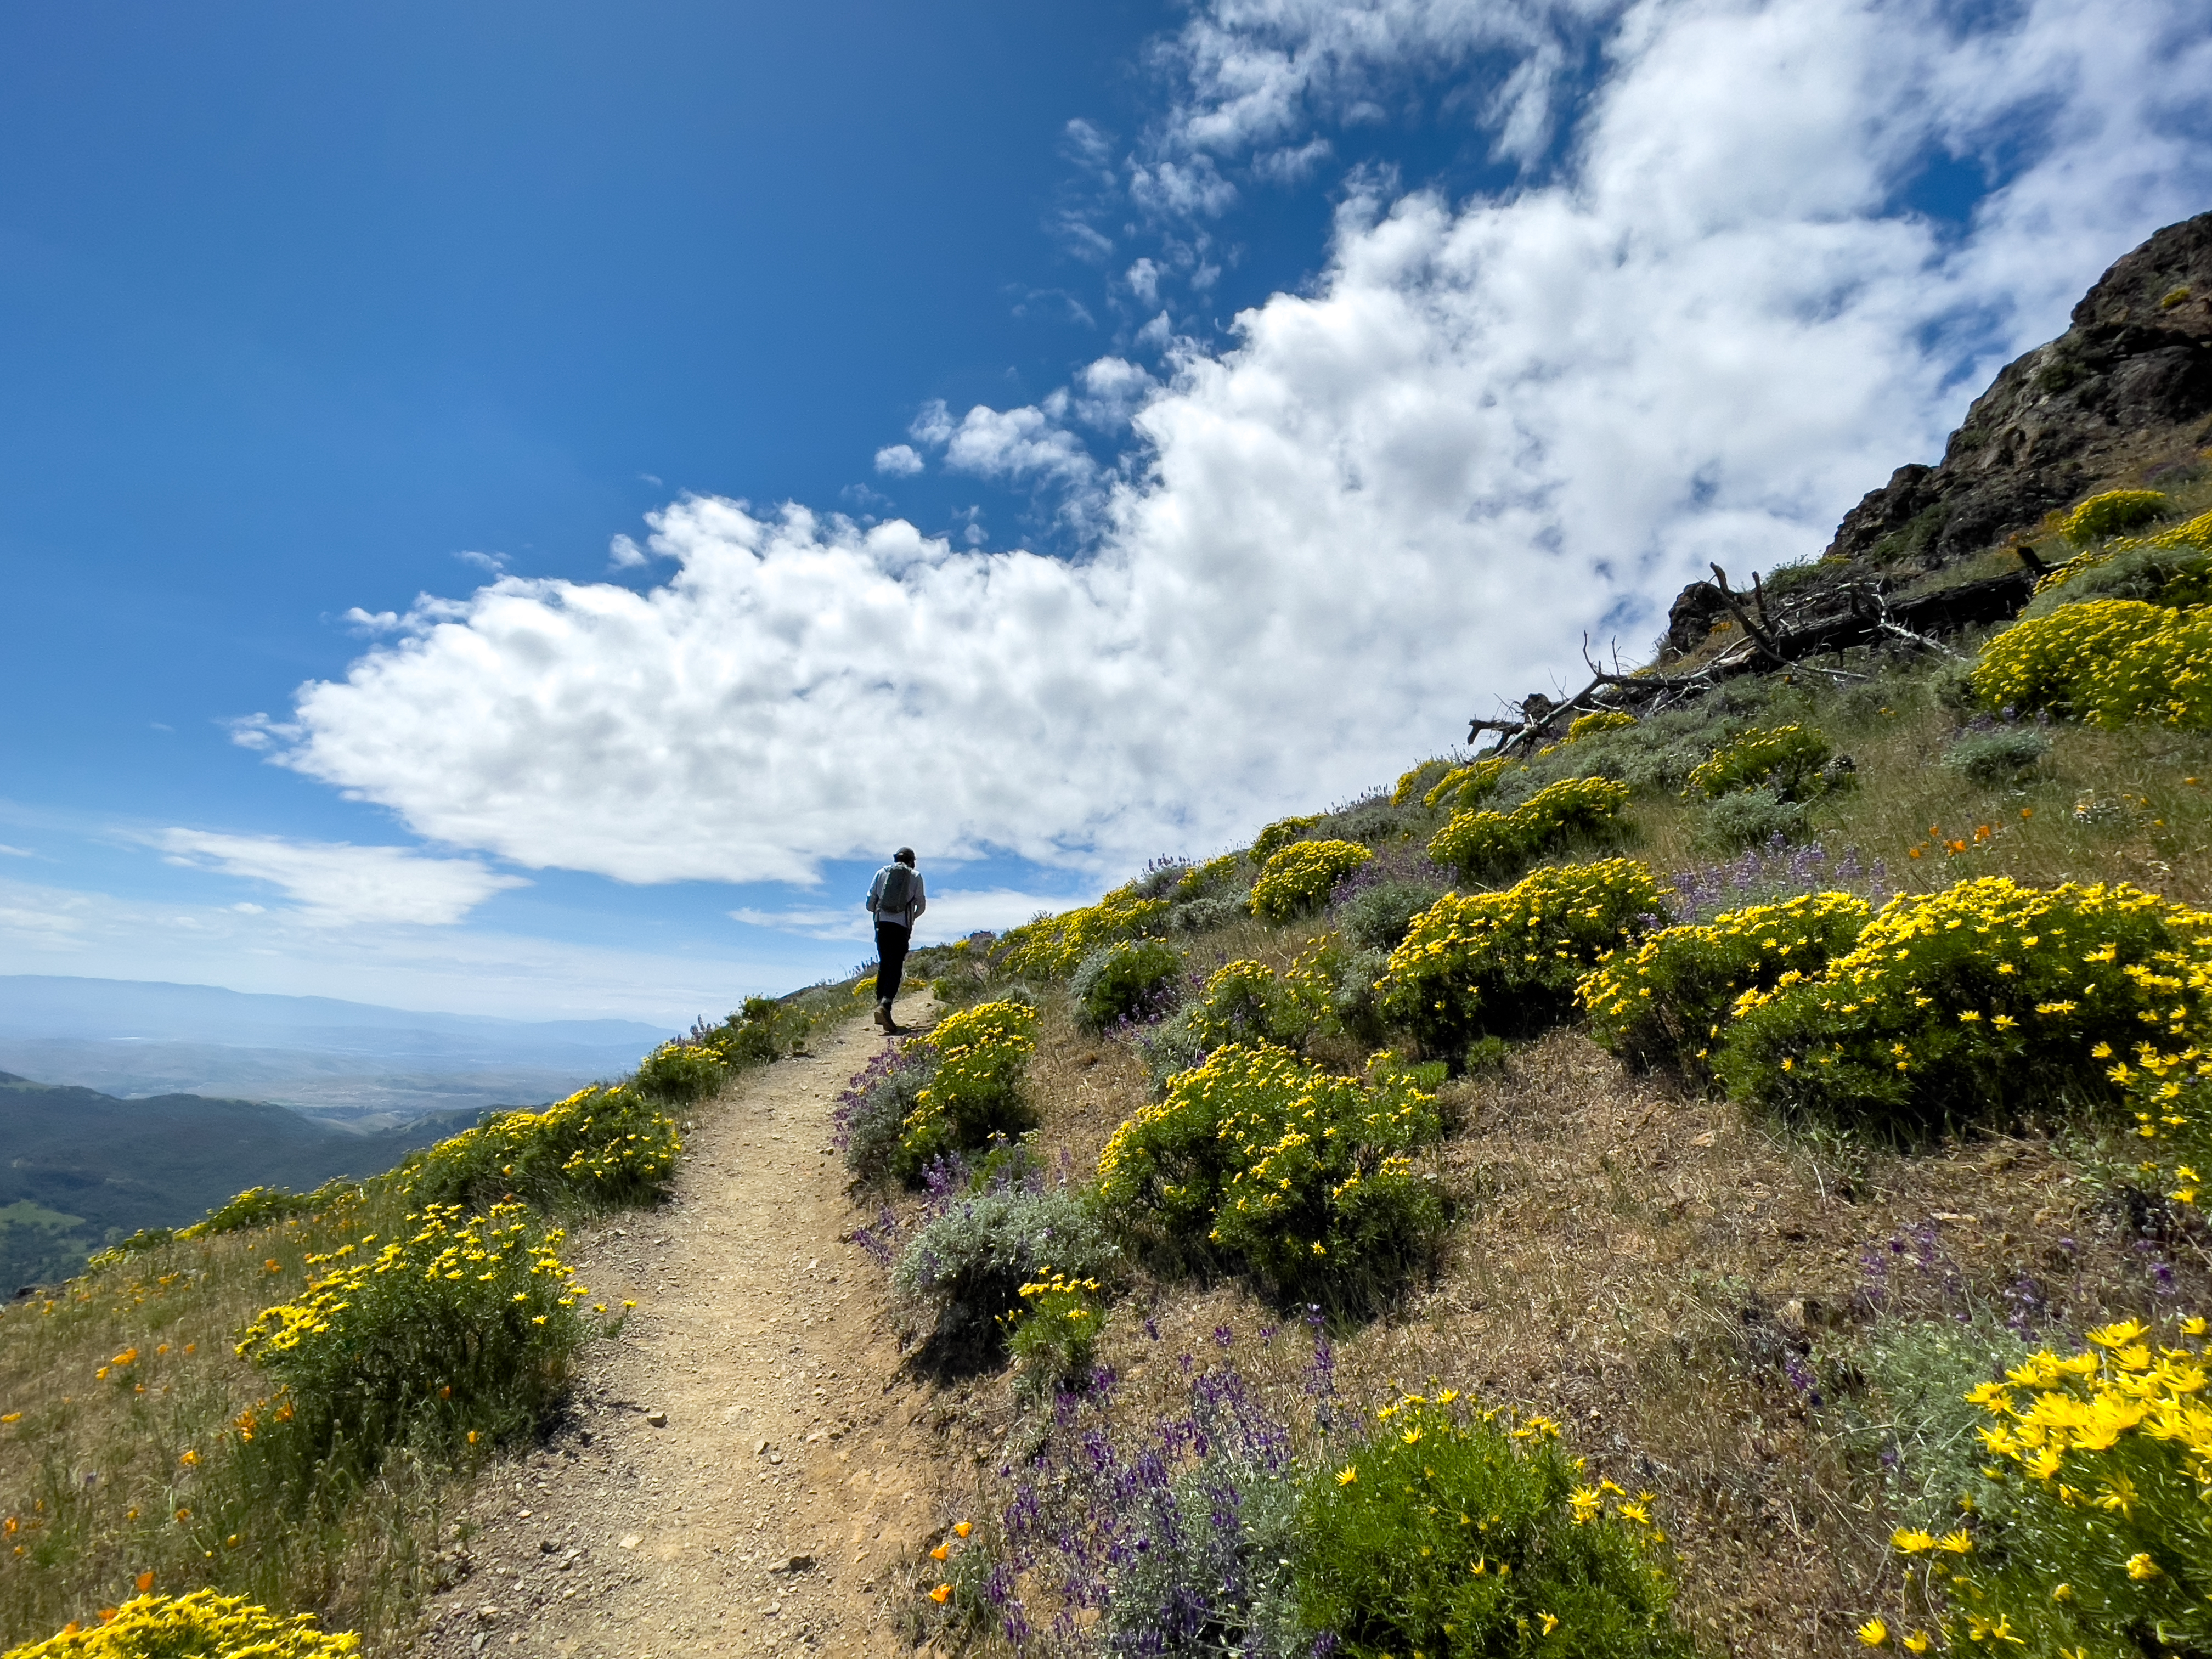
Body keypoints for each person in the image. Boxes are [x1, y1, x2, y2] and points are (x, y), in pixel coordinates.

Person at [863, 847, 926, 1032]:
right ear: (912, 861)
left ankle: (879, 1005)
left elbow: (869, 904)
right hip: (901, 927)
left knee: (885, 964)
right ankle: (886, 1006)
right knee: (896, 966)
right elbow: (921, 905)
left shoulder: (882, 873)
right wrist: (910, 918)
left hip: (882, 925)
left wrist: (881, 912)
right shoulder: (916, 876)